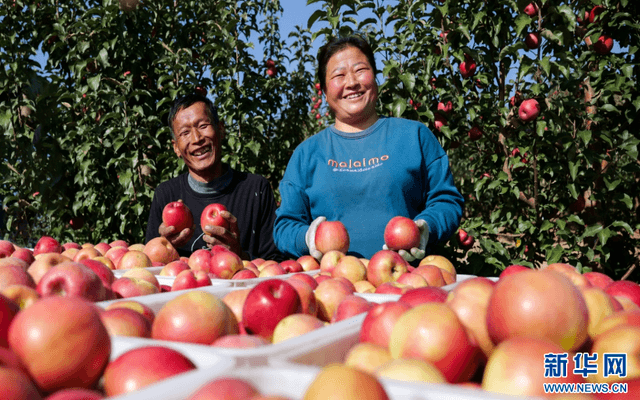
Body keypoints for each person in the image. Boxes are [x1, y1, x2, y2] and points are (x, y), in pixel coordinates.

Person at [272, 34, 464, 262]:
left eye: (360, 70)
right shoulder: (307, 154)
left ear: (375, 78)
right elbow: (284, 227)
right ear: (323, 90)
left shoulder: (414, 136)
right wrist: (309, 238)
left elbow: (446, 201)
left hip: (406, 282)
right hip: (332, 289)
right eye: (339, 75)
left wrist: (426, 228)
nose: (352, 82)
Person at [145, 94, 283, 261]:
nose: (197, 139)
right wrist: (164, 248)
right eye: (185, 132)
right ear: (176, 148)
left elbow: (275, 264)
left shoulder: (255, 189)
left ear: (221, 129)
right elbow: (151, 267)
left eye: (203, 125)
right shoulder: (166, 195)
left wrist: (239, 255)